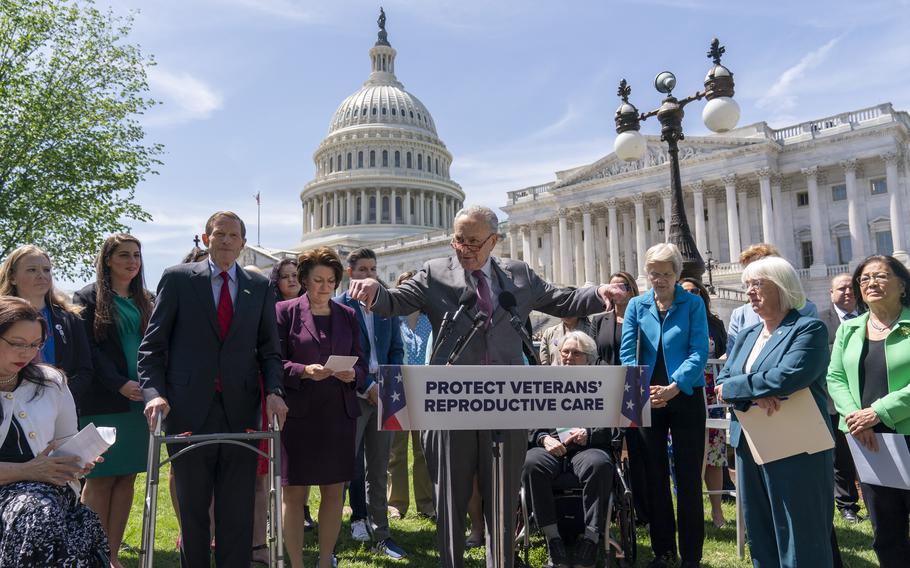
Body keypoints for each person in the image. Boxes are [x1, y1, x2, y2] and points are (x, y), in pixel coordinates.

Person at [347, 205, 618, 568]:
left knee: (503, 502)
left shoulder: (518, 276)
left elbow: (560, 299)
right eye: (459, 240)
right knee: (451, 500)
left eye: (474, 241)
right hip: (450, 403)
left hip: (506, 405)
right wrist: (374, 291)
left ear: (495, 240)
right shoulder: (434, 273)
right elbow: (396, 301)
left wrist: (598, 292)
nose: (465, 249)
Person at [138, 211, 288, 568]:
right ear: (206, 240)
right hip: (188, 410)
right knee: (193, 512)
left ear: (243, 244)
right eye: (219, 235)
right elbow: (152, 347)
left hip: (242, 411)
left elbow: (270, 350)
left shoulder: (259, 287)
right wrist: (153, 393)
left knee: (237, 511)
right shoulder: (178, 279)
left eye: (233, 236)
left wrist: (276, 391)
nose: (225, 241)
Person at [716, 256, 834, 568]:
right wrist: (754, 395)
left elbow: (789, 376)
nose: (749, 292)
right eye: (746, 286)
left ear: (782, 286)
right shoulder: (746, 335)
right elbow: (722, 381)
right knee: (760, 527)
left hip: (797, 442)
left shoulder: (808, 328)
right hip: (750, 442)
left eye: (757, 284)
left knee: (800, 531)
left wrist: (746, 389)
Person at [0, 296, 109, 566]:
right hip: (24, 500)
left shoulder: (52, 382)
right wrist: (27, 471)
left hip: (50, 493)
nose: (27, 353)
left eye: (35, 345)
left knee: (75, 520)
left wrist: (77, 460)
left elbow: (65, 439)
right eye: (17, 344)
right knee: (36, 513)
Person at [275, 247, 367, 568]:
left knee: (333, 493)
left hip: (338, 415)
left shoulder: (349, 316)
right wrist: (304, 371)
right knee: (294, 494)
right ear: (304, 280)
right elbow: (273, 362)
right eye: (318, 280)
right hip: (299, 415)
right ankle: (297, 562)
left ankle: (326, 560)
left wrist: (353, 373)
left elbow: (363, 363)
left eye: (331, 281)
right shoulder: (284, 312)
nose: (325, 287)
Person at [619, 243, 708, 568]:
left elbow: (699, 351)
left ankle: (691, 556)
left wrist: (674, 387)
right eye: (653, 273)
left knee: (687, 481)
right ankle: (663, 550)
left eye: (665, 274)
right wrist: (644, 389)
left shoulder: (693, 304)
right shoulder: (636, 306)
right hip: (645, 396)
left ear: (677, 274)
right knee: (653, 477)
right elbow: (627, 352)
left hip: (683, 395)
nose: (658, 279)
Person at [72, 234, 153, 568]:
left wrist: (148, 387)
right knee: (102, 478)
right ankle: (91, 554)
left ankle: (113, 555)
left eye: (136, 255)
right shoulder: (87, 298)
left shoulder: (146, 298)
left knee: (128, 478)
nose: (132, 261)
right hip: (106, 400)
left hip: (141, 402)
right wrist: (120, 384)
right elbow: (90, 350)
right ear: (107, 259)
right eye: (123, 255)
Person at [827, 255, 910, 568]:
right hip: (869, 441)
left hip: (904, 432)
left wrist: (876, 412)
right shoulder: (849, 330)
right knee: (886, 529)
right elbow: (834, 378)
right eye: (864, 279)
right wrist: (856, 419)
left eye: (881, 276)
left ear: (902, 285)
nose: (871, 283)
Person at [335, 248, 407, 559]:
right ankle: (332, 539)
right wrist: (367, 386)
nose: (369, 275)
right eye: (363, 269)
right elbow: (342, 354)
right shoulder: (339, 308)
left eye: (373, 269)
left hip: (387, 394)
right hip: (353, 395)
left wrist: (387, 385)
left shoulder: (385, 307)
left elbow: (396, 349)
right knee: (340, 469)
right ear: (350, 273)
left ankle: (381, 534)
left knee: (379, 469)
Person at [523, 331, 615, 568]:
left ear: (589, 358)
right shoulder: (544, 382)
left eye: (576, 353)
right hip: (551, 448)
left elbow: (614, 426)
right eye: (565, 352)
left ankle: (592, 538)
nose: (569, 357)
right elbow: (530, 420)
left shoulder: (602, 383)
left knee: (600, 464)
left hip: (586, 446)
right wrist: (543, 438)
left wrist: (590, 434)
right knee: (532, 463)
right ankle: (553, 539)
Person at [0, 245, 93, 410]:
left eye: (46, 270)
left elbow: (85, 369)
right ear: (12, 277)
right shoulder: (2, 318)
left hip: (60, 408)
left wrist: (58, 397)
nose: (41, 275)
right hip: (8, 406)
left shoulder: (71, 318)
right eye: (32, 270)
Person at [589, 271, 649, 525]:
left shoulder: (644, 319)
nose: (616, 290)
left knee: (637, 449)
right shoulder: (600, 320)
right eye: (611, 286)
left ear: (632, 290)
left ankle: (643, 510)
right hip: (605, 385)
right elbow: (593, 352)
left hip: (634, 385)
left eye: (622, 286)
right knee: (607, 446)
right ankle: (612, 507)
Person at [678, 277, 728, 529]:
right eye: (684, 291)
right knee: (688, 452)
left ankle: (717, 510)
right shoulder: (675, 320)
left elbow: (724, 350)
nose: (690, 294)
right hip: (685, 389)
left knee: (715, 453)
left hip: (712, 391)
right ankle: (690, 508)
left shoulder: (714, 323)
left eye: (694, 290)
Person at [387, 271, 435, 522]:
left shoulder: (432, 320)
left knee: (424, 450)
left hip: (425, 389)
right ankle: (396, 503)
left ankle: (426, 503)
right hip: (396, 387)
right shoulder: (392, 320)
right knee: (396, 451)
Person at [818, 273, 863, 524]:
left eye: (851, 288)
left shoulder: (868, 317)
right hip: (832, 399)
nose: (847, 292)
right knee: (841, 456)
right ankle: (847, 505)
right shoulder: (820, 321)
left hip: (866, 396)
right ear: (831, 293)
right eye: (841, 288)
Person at [726, 244, 817, 353]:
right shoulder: (739, 315)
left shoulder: (806, 311)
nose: (749, 291)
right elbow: (732, 357)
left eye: (757, 281)